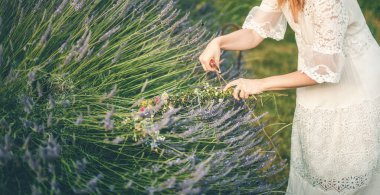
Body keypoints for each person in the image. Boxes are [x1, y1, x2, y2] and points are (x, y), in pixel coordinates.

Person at [199, 0, 380, 194]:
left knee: (349, 170)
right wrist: (218, 42)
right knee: (316, 167)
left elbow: (326, 69)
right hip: (313, 80)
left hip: (355, 86)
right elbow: (254, 33)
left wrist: (260, 83)